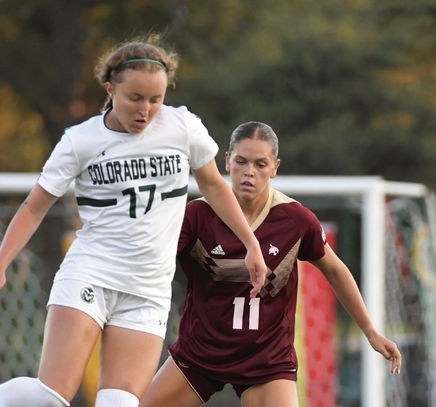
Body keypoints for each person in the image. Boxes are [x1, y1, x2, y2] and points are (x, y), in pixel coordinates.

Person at [0, 35, 267, 407]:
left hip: (148, 290)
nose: (145, 109)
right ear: (110, 87)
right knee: (51, 397)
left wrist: (251, 243)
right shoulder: (79, 141)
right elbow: (35, 206)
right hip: (91, 274)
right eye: (135, 98)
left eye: (155, 99)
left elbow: (214, 185)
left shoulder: (182, 128)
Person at [140, 121, 402, 407]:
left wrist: (371, 331)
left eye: (260, 164)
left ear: (275, 167)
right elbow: (151, 264)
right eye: (241, 161)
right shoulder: (196, 215)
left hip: (266, 361)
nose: (249, 172)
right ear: (227, 161)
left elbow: (336, 270)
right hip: (200, 353)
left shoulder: (295, 220)